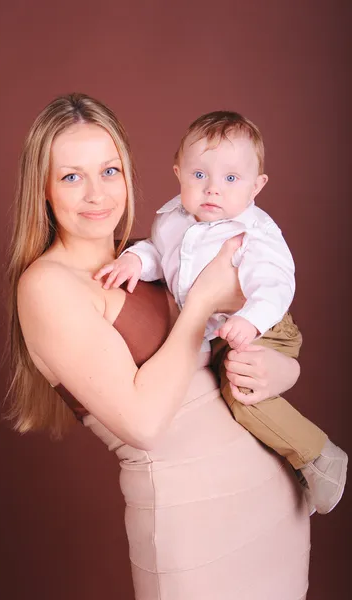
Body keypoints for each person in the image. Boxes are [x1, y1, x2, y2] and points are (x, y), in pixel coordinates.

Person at [7, 93, 311, 599]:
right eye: (71, 176)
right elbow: (144, 424)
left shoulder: (150, 258)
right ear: (42, 187)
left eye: (109, 171)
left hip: (269, 502)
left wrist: (281, 373)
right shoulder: (47, 287)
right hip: (189, 521)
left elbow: (230, 366)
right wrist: (203, 303)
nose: (97, 194)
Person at [96, 110, 347, 515]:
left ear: (256, 186)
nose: (212, 189)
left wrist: (251, 320)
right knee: (220, 397)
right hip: (217, 331)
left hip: (264, 326)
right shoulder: (172, 219)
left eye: (231, 179)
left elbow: (276, 283)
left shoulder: (253, 233)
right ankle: (288, 465)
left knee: (241, 393)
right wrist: (136, 261)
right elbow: (162, 257)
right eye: (199, 175)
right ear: (178, 172)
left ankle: (319, 456)